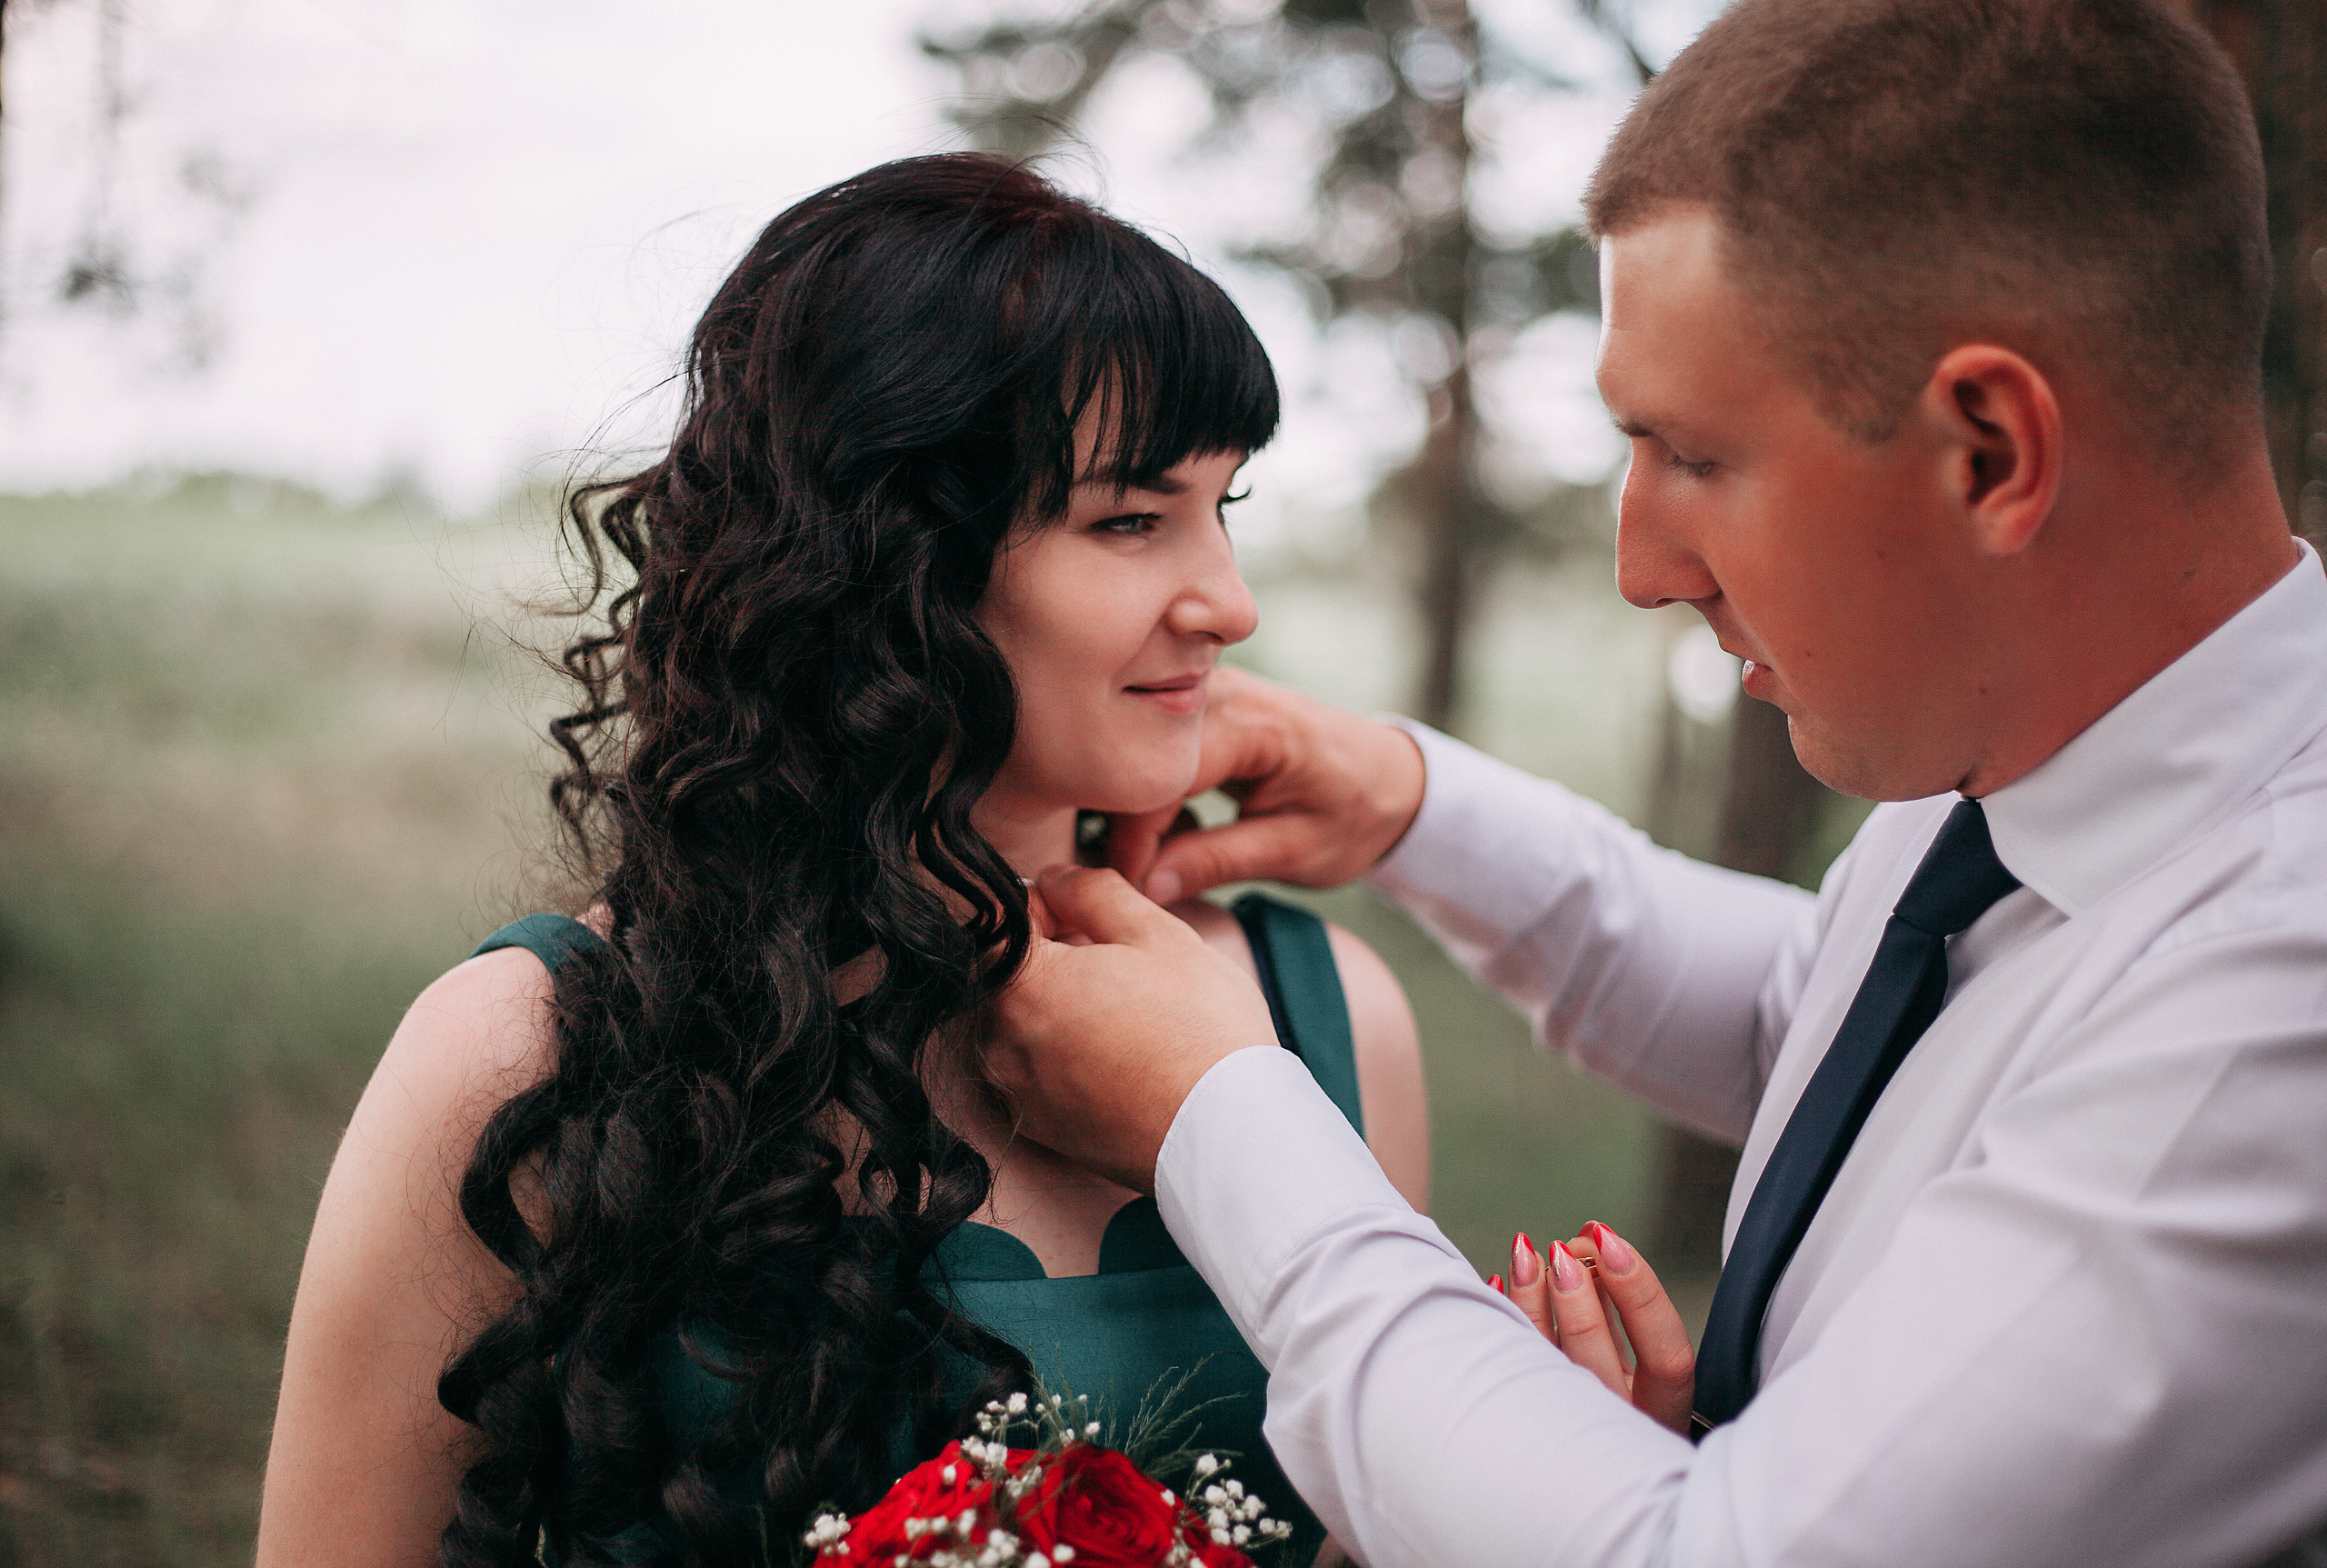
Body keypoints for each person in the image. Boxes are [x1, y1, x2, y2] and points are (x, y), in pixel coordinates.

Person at [984, 2, 2327, 1564]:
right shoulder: (2026, 782)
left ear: (1989, 450)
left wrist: (1217, 1115)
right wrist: (1412, 806)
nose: (1640, 565)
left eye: (1692, 456)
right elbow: (1823, 1029)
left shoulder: (2275, 1006)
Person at [253, 155, 1428, 1568]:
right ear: (887, 554)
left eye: (1226, 507)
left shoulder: (1330, 1021)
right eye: (1131, 519)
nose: (1229, 602)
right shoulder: (521, 1051)